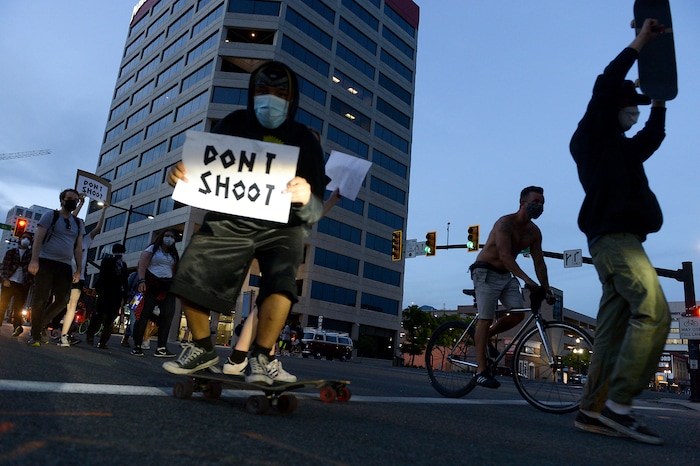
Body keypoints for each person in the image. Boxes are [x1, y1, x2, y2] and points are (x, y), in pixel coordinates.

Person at [162, 60, 326, 384]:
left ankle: (262, 358)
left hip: (283, 226)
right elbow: (202, 169)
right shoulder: (233, 123)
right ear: (252, 93)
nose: (270, 98)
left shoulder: (305, 140)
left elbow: (316, 209)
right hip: (231, 219)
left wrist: (307, 195)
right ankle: (202, 348)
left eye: (279, 92)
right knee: (188, 272)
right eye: (263, 91)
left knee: (281, 281)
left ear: (292, 99)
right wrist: (180, 175)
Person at [569, 19, 670, 445]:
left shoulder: (626, 149)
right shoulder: (591, 135)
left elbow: (654, 135)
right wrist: (641, 41)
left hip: (618, 242)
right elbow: (607, 84)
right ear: (615, 107)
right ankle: (619, 407)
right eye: (631, 105)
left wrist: (660, 102)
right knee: (654, 311)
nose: (635, 111)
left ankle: (593, 410)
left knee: (611, 331)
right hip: (615, 241)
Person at [469, 186, 551, 389]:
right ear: (522, 203)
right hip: (485, 272)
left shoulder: (534, 232)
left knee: (517, 314)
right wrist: (528, 281)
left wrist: (546, 288)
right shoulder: (505, 223)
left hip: (506, 275)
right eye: (535, 201)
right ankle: (480, 371)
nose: (539, 205)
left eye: (542, 202)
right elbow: (505, 255)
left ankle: (486, 336)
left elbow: (539, 261)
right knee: (485, 318)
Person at [27, 189, 84, 346]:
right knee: (40, 298)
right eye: (69, 198)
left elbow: (78, 248)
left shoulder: (78, 223)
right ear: (62, 200)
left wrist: (79, 269)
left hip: (65, 266)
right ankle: (35, 335)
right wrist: (34, 260)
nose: (72, 201)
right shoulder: (51, 216)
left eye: (75, 200)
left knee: (62, 300)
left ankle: (40, 325)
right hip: (46, 262)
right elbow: (38, 238)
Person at [57, 193, 105, 347]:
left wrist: (105, 210)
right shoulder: (68, 235)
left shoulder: (86, 240)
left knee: (72, 305)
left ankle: (65, 335)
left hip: (78, 276)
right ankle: (46, 328)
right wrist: (81, 203)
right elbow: (68, 219)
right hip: (63, 273)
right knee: (58, 303)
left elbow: (98, 229)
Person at [130, 230, 179, 357]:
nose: (169, 239)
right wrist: (142, 280)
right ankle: (137, 345)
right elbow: (142, 265)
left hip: (167, 285)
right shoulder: (152, 249)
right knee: (144, 315)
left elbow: (175, 269)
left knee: (167, 316)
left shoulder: (173, 253)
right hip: (151, 283)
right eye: (167, 236)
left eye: (172, 237)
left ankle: (161, 347)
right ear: (161, 237)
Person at [86, 243, 129, 349]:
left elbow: (124, 281)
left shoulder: (122, 265)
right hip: (107, 292)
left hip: (114, 294)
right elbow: (105, 276)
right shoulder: (108, 262)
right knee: (101, 315)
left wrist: (124, 296)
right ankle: (94, 337)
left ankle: (101, 340)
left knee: (109, 318)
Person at [1, 231, 34, 337]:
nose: (26, 240)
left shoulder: (31, 255)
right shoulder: (12, 252)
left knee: (18, 307)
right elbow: (4, 266)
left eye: (28, 238)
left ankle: (17, 327)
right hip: (9, 282)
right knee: (2, 304)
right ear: (20, 239)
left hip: (22, 284)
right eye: (24, 237)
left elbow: (32, 271)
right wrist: (5, 279)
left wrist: (29, 283)